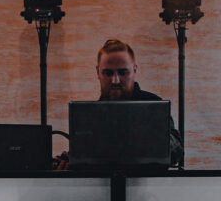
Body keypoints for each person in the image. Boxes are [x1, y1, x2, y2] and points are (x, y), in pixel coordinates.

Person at [54, 38, 184, 169]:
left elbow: (177, 151)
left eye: (122, 72)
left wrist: (144, 136)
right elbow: (85, 155)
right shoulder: (90, 116)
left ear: (134, 70)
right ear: (98, 72)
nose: (115, 80)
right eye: (108, 73)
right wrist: (70, 161)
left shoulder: (154, 106)